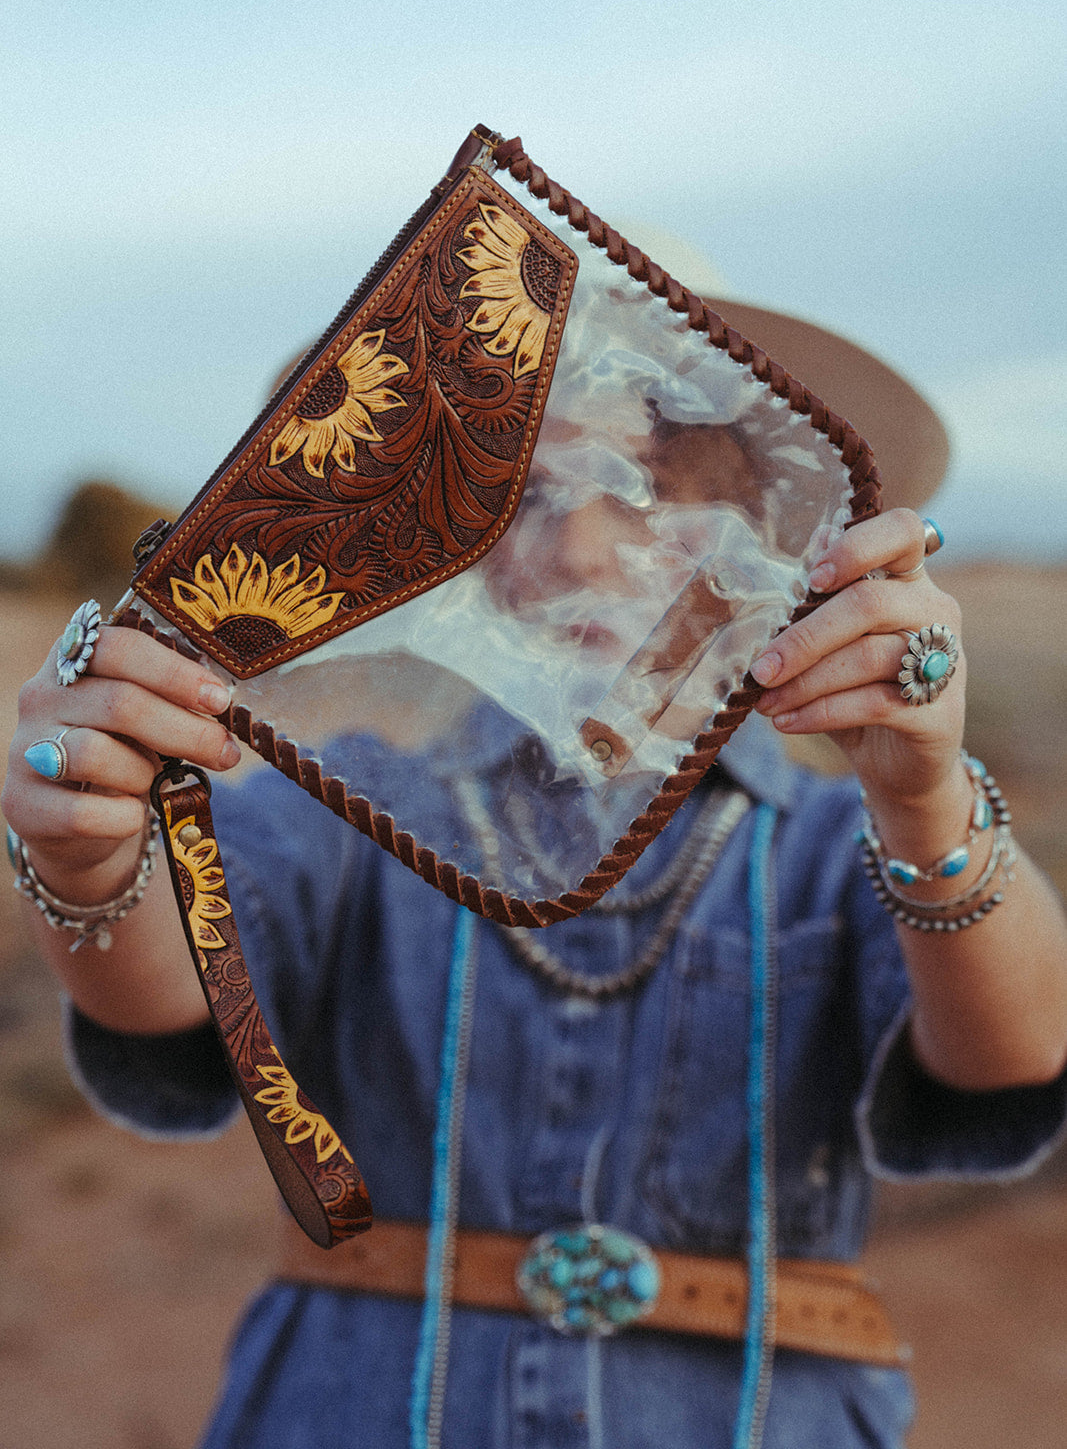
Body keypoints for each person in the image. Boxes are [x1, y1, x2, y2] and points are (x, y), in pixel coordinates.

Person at [5, 296, 1067, 1449]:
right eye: (517, 499)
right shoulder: (350, 801)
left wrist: (921, 800)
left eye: (653, 490)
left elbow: (1010, 1050)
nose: (579, 551)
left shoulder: (826, 843)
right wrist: (90, 854)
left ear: (769, 530)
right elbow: (167, 988)